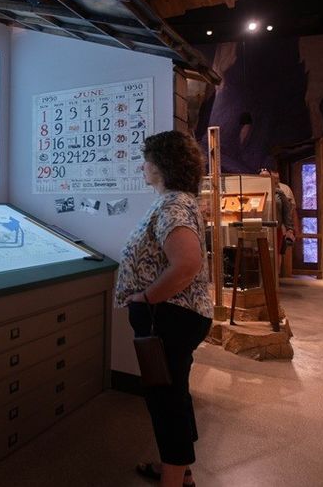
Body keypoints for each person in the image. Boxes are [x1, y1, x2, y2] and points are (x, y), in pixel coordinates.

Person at [115, 130, 213, 487]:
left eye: (147, 160)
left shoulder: (173, 204)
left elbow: (186, 263)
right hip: (175, 316)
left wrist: (147, 298)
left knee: (164, 398)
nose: (142, 166)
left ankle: (172, 478)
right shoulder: (180, 201)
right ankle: (178, 469)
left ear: (161, 165)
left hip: (168, 316)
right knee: (174, 391)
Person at [260, 168, 300, 272]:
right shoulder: (256, 189)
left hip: (276, 227)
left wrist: (291, 228)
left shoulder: (280, 192)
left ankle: (274, 279)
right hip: (259, 227)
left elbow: (288, 211)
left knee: (276, 252)